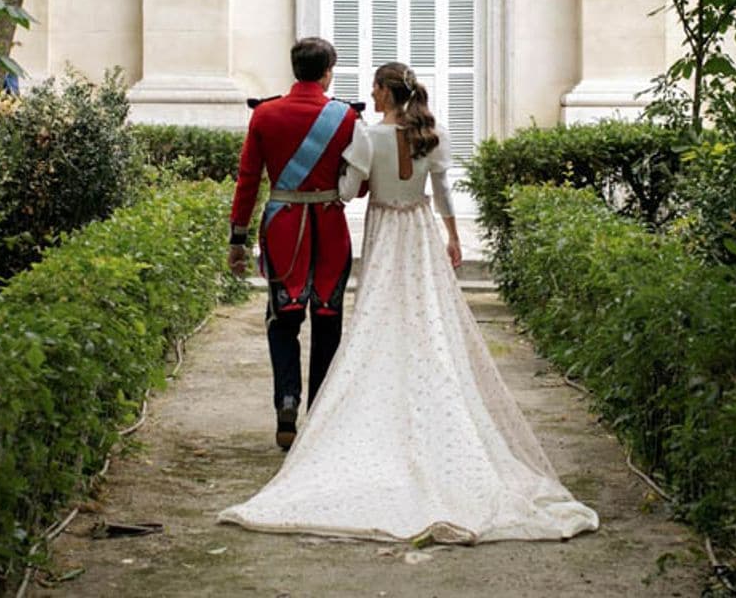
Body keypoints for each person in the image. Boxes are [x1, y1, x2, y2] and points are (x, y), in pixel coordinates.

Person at [219, 62, 599, 544]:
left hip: (380, 229)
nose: (369, 94)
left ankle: (305, 408)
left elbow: (346, 192)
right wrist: (454, 237)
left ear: (383, 91)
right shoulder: (431, 135)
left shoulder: (365, 136)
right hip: (419, 232)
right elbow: (442, 192)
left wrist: (330, 189)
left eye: (374, 88)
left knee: (376, 319)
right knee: (427, 321)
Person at [228, 37, 362, 450]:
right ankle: (320, 414)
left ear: (294, 70)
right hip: (329, 230)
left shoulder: (265, 114)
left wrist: (238, 238)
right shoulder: (345, 117)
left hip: (284, 231)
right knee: (328, 320)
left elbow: (248, 181)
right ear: (328, 72)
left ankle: (286, 402)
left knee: (283, 321)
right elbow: (358, 185)